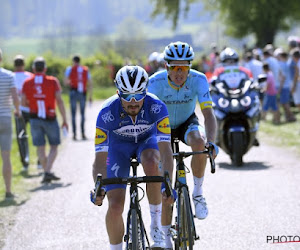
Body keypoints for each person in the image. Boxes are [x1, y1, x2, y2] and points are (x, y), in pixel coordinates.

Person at [91, 65, 174, 250]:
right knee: (115, 206)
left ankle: (155, 225)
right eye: (127, 96)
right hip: (118, 149)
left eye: (138, 95)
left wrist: (167, 183)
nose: (133, 101)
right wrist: (98, 187)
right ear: (118, 92)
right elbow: (99, 159)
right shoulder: (106, 113)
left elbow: (166, 150)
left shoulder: (157, 107)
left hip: (147, 143)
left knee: (153, 161)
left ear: (146, 91)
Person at [148, 41, 219, 249]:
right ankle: (166, 239)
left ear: (189, 67)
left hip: (187, 122)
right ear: (166, 66)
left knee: (199, 142)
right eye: (174, 68)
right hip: (163, 128)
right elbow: (149, 119)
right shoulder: (154, 83)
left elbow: (208, 114)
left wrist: (212, 143)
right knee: (166, 184)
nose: (179, 73)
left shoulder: (199, 79)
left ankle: (197, 194)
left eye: (184, 68)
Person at [22, 57, 68, 183]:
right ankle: (47, 172)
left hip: (34, 118)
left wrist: (33, 105)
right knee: (54, 146)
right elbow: (59, 101)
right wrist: (64, 119)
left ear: (33, 69)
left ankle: (46, 171)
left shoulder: (27, 83)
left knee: (40, 148)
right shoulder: (53, 81)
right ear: (45, 68)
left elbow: (23, 102)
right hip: (50, 117)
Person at [0, 48, 21, 199]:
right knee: (6, 156)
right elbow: (15, 97)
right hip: (5, 117)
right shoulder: (9, 75)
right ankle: (8, 192)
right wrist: (18, 110)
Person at [13, 55, 39, 171]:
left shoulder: (11, 77)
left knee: (21, 136)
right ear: (23, 64)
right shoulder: (30, 76)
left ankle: (25, 163)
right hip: (33, 109)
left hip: (19, 111)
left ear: (14, 65)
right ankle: (40, 161)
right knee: (37, 135)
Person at [64, 55, 92, 140]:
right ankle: (83, 133)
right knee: (82, 114)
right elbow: (90, 83)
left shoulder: (70, 69)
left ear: (73, 61)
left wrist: (70, 82)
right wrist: (90, 96)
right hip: (83, 93)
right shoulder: (85, 69)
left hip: (73, 92)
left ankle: (74, 134)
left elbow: (65, 82)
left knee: (73, 114)